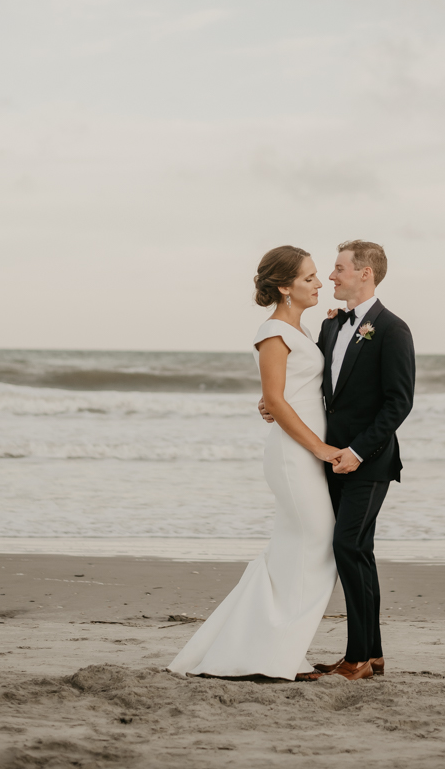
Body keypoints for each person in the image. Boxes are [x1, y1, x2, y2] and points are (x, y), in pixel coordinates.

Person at [168, 245, 340, 680]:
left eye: (318, 275)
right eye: (309, 277)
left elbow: (282, 395)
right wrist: (319, 448)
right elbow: (277, 401)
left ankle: (267, 650)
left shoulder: (298, 331)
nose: (319, 283)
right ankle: (278, 653)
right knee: (315, 546)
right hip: (293, 454)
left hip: (303, 450)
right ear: (285, 287)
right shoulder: (272, 331)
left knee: (295, 549)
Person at [260, 240, 415, 680]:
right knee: (357, 549)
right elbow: (308, 381)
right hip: (328, 459)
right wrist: (272, 401)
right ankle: (372, 655)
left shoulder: (392, 329)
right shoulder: (330, 328)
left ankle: (357, 659)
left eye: (339, 268)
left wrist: (359, 451)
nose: (331, 277)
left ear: (365, 273)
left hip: (370, 460)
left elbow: (398, 402)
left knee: (347, 546)